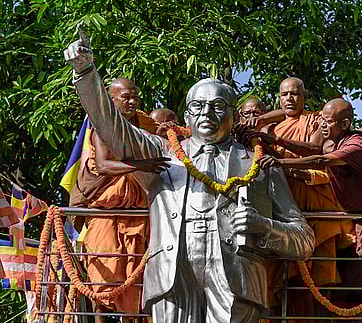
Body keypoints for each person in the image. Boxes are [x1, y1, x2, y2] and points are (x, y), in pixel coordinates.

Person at [64, 28, 315, 323]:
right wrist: (86, 71)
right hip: (171, 281)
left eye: (218, 106)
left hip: (237, 284)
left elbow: (304, 241)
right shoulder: (161, 154)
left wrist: (263, 226)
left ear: (233, 117)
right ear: (186, 116)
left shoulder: (259, 165)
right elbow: (110, 123)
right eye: (198, 106)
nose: (206, 113)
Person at [257, 98, 362, 320]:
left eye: (328, 121)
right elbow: (315, 147)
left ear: (345, 124)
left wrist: (280, 163)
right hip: (360, 219)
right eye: (322, 121)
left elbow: (318, 160)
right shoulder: (335, 141)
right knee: (360, 271)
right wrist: (266, 130)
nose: (322, 125)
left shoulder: (357, 145)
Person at [238, 78, 355, 321]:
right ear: (279, 98)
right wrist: (262, 124)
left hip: (313, 202)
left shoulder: (315, 120)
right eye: (285, 94)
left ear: (304, 95)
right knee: (279, 274)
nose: (290, 99)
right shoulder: (273, 127)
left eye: (295, 94)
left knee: (320, 274)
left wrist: (275, 142)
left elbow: (314, 150)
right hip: (283, 203)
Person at [69, 78, 169, 323]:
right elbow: (102, 165)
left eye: (135, 96)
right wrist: (140, 165)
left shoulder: (144, 124)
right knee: (104, 274)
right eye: (126, 97)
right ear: (110, 99)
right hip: (105, 212)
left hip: (138, 213)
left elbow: (167, 140)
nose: (132, 101)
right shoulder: (103, 127)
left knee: (136, 276)